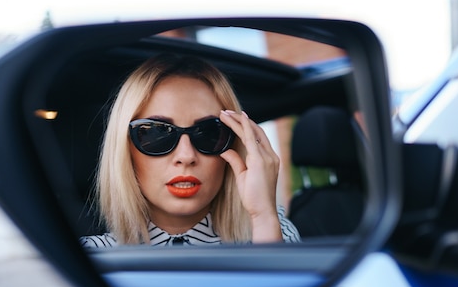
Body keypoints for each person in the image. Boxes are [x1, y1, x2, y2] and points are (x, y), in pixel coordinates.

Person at [80, 53, 300, 248]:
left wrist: (263, 216)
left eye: (209, 134)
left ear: (234, 144)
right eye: (157, 134)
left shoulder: (272, 233)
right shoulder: (90, 256)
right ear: (124, 149)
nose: (186, 156)